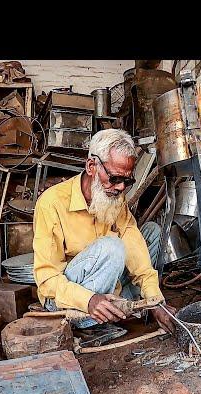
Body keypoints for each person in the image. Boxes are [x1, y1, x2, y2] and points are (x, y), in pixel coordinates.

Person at [32, 128, 175, 333]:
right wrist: (89, 300)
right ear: (91, 166)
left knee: (152, 233)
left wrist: (155, 300)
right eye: (115, 178)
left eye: (127, 181)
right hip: (67, 300)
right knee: (112, 246)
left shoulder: (114, 198)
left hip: (104, 281)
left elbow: (133, 244)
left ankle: (120, 306)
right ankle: (92, 317)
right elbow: (47, 279)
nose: (120, 188)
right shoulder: (51, 203)